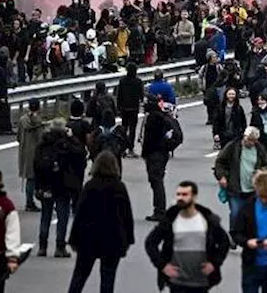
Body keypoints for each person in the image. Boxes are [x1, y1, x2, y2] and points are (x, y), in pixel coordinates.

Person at [144, 180, 232, 293]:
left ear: (194, 197)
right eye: (178, 194)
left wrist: (214, 263)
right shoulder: (170, 220)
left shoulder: (207, 219)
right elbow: (151, 242)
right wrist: (163, 266)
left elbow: (224, 242)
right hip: (177, 281)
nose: (180, 198)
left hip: (201, 282)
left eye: (185, 194)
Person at [66, 151, 134, 293]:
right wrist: (128, 240)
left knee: (79, 276)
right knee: (108, 279)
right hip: (113, 239)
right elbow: (127, 216)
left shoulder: (90, 186)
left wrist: (74, 239)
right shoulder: (119, 187)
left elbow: (79, 215)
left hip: (89, 239)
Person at [34, 118, 87, 257]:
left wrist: (38, 185)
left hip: (46, 184)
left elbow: (37, 165)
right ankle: (60, 246)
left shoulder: (43, 143)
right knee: (62, 216)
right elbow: (81, 153)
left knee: (45, 214)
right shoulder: (66, 144)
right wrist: (72, 138)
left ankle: (42, 246)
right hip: (63, 185)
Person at [213, 126, 267, 225]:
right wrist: (221, 176)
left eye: (254, 141)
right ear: (245, 137)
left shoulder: (259, 149)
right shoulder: (233, 146)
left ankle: (247, 236)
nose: (252, 143)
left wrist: (261, 171)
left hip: (253, 189)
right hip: (236, 188)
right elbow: (220, 162)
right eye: (250, 140)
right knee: (236, 214)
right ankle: (235, 236)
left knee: (251, 216)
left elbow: (266, 163)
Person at [140, 94, 180, 222]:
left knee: (156, 182)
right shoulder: (160, 116)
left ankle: (160, 210)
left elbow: (150, 140)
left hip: (155, 154)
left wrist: (146, 152)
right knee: (156, 181)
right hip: (159, 153)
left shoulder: (154, 118)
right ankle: (159, 209)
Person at [15, 97, 46, 212]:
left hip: (25, 152)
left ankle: (29, 201)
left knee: (29, 178)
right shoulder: (39, 122)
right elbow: (42, 138)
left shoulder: (22, 120)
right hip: (37, 152)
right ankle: (34, 201)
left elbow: (18, 137)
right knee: (37, 178)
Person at [116, 63, 145, 156]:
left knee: (124, 128)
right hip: (134, 108)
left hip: (124, 108)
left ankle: (123, 148)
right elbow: (142, 95)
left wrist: (118, 107)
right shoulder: (138, 81)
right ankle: (131, 149)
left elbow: (119, 95)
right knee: (132, 129)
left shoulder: (122, 81)